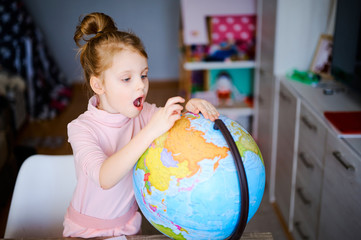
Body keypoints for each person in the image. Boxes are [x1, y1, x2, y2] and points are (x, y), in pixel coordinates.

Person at [63, 12, 219, 238]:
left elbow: (170, 122)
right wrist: (152, 130)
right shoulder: (80, 128)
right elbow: (104, 177)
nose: (141, 87)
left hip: (130, 226)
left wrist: (190, 110)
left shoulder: (143, 113)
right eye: (127, 79)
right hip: (85, 231)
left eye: (143, 75)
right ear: (98, 85)